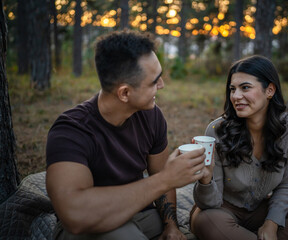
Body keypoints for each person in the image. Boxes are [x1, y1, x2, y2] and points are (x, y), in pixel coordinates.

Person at [46, 30, 206, 240]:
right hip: (90, 224)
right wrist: (166, 179)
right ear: (124, 93)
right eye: (154, 81)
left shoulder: (151, 116)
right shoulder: (71, 131)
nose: (162, 85)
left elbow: (159, 176)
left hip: (141, 215)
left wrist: (171, 227)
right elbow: (75, 215)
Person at [190, 55, 288, 240]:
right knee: (206, 221)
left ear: (270, 90)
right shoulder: (216, 131)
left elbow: (287, 185)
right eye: (232, 89)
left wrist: (271, 223)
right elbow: (211, 203)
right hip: (221, 211)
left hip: (261, 210)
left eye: (245, 88)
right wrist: (205, 180)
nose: (236, 96)